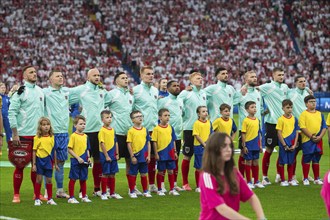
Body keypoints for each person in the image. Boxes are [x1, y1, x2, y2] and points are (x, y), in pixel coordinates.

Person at [199, 132, 266, 220]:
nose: (229, 149)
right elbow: (221, 208)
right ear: (214, 149)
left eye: (230, 146)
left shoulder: (234, 172)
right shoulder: (207, 176)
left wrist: (262, 217)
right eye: (224, 146)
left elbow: (251, 196)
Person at [70, 68, 111, 196]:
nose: (97, 77)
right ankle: (82, 190)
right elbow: (63, 94)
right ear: (88, 77)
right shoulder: (81, 90)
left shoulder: (102, 91)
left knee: (98, 160)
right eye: (94, 75)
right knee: (83, 160)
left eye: (99, 75)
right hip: (85, 132)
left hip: (99, 131)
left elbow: (111, 100)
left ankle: (96, 189)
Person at [8, 65, 45, 203]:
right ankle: (16, 194)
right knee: (19, 165)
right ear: (24, 76)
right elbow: (12, 112)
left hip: (38, 135)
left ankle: (37, 194)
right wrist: (15, 133)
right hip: (23, 134)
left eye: (35, 72)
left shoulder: (41, 91)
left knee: (37, 167)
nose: (34, 74)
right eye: (31, 72)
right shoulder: (20, 91)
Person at [43, 70, 72, 199]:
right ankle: (46, 190)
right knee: (48, 163)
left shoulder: (67, 92)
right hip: (50, 133)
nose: (61, 77)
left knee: (60, 163)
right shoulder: (44, 93)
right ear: (50, 79)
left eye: (62, 75)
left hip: (64, 133)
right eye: (57, 76)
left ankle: (60, 190)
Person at [257, 68, 289, 185]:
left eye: (283, 75)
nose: (281, 77)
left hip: (284, 124)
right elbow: (255, 90)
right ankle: (265, 177)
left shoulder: (285, 87)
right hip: (272, 123)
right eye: (279, 75)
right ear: (273, 76)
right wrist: (262, 110)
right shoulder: (267, 87)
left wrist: (306, 89)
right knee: (269, 149)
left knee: (282, 149)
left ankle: (279, 175)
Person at [178, 72, 206, 191]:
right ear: (191, 81)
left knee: (201, 157)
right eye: (198, 78)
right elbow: (178, 104)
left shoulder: (204, 93)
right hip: (189, 128)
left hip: (203, 130)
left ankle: (200, 184)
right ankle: (185, 183)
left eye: (201, 78)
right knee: (187, 156)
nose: (201, 80)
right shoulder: (185, 93)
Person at [132, 66, 158, 193]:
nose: (151, 76)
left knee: (152, 157)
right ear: (141, 75)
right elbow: (131, 108)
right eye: (148, 74)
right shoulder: (136, 90)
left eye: (152, 74)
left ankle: (152, 184)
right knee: (137, 157)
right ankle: (134, 186)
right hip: (140, 129)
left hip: (153, 128)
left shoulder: (155, 90)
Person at [107, 72, 134, 192]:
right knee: (113, 161)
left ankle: (131, 188)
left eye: (126, 78)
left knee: (130, 161)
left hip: (128, 132)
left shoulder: (130, 95)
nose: (126, 80)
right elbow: (102, 107)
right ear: (116, 81)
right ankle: (109, 189)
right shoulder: (112, 94)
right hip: (116, 132)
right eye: (123, 78)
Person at [235, 71, 263, 177]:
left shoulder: (258, 92)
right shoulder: (241, 92)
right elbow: (231, 103)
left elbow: (260, 108)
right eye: (252, 77)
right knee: (244, 153)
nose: (255, 78)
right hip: (245, 129)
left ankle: (255, 180)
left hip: (256, 129)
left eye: (255, 77)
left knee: (255, 156)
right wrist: (240, 92)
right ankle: (242, 178)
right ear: (246, 80)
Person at [157, 80, 183, 191]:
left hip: (177, 135)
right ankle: (161, 185)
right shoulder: (163, 101)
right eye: (174, 86)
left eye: (178, 85)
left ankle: (174, 184)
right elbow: (156, 114)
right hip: (165, 135)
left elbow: (183, 114)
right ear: (167, 88)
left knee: (175, 160)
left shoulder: (181, 100)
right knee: (163, 160)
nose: (177, 87)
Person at [298, 95, 327, 185]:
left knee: (316, 159)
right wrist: (311, 136)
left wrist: (320, 136)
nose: (313, 103)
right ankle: (305, 178)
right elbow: (302, 127)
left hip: (318, 140)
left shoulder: (320, 114)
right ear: (306, 104)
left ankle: (316, 178)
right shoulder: (303, 114)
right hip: (307, 140)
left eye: (314, 101)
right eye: (311, 102)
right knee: (307, 158)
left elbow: (324, 127)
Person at [152, 108, 179, 196]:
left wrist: (175, 151)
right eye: (165, 115)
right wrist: (156, 153)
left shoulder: (171, 128)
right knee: (160, 171)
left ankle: (172, 189)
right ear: (160, 117)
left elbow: (173, 140)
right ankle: (159, 189)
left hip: (170, 152)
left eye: (168, 115)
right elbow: (154, 142)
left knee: (171, 171)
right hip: (161, 153)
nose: (167, 117)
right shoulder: (156, 129)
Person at [288, 75, 310, 182]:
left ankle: (305, 175)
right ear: (296, 83)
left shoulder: (307, 93)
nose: (303, 83)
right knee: (294, 153)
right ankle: (292, 175)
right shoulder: (291, 93)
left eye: (304, 81)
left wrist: (306, 89)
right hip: (296, 128)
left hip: (306, 128)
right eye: (300, 81)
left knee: (307, 152)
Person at [32, 117, 57, 206]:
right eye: (44, 125)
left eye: (48, 125)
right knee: (39, 180)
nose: (46, 127)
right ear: (40, 127)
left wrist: (55, 163)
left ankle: (50, 198)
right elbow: (34, 151)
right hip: (40, 161)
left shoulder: (52, 137)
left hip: (49, 161)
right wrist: (34, 164)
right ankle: (37, 198)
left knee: (49, 180)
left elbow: (54, 151)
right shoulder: (37, 138)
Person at [126, 110, 152, 198]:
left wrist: (148, 155)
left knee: (144, 174)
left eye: (141, 116)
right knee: (133, 173)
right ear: (132, 120)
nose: (140, 117)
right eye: (137, 116)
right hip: (136, 156)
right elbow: (129, 144)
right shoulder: (131, 131)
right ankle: (132, 191)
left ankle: (145, 191)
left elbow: (148, 143)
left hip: (144, 156)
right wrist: (132, 156)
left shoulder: (145, 130)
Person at [98, 110, 123, 200]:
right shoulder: (102, 131)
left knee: (112, 174)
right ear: (102, 120)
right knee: (105, 173)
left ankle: (112, 192)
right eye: (107, 118)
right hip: (106, 155)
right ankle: (104, 193)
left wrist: (117, 153)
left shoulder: (112, 130)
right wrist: (106, 156)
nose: (109, 119)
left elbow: (115, 142)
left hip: (113, 155)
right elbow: (102, 143)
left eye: (110, 117)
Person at [67, 115, 92, 203]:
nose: (83, 125)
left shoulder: (86, 136)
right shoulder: (73, 136)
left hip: (84, 161)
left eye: (84, 124)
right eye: (81, 124)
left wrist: (88, 158)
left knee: (83, 179)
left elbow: (87, 149)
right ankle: (71, 197)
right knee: (73, 178)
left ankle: (84, 196)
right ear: (75, 125)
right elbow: (69, 149)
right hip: (75, 161)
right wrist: (77, 158)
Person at [276, 99, 299, 186]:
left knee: (291, 162)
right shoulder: (281, 119)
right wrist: (284, 144)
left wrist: (294, 144)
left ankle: (290, 179)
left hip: (292, 143)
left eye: (291, 107)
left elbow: (297, 132)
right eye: (287, 107)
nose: (290, 109)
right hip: (283, 144)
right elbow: (279, 132)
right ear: (283, 108)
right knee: (282, 162)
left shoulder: (294, 119)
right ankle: (283, 180)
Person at [241, 101, 264, 189]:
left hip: (256, 145)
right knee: (249, 162)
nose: (254, 108)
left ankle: (257, 181)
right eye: (252, 107)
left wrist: (261, 145)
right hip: (249, 144)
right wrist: (244, 146)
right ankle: (249, 181)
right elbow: (243, 134)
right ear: (247, 110)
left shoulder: (257, 120)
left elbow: (259, 134)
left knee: (256, 162)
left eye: (255, 107)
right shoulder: (245, 121)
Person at [193, 106, 212, 192]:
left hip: (207, 146)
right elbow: (197, 135)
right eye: (203, 111)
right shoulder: (197, 123)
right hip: (199, 147)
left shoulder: (209, 122)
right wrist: (204, 144)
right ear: (198, 113)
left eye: (206, 111)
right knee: (199, 167)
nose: (205, 113)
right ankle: (198, 186)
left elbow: (210, 133)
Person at [0, 82, 11, 154]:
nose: (3, 89)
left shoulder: (7, 98)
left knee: (9, 132)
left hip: (6, 117)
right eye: (2, 88)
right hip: (0, 117)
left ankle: (9, 147)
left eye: (4, 88)